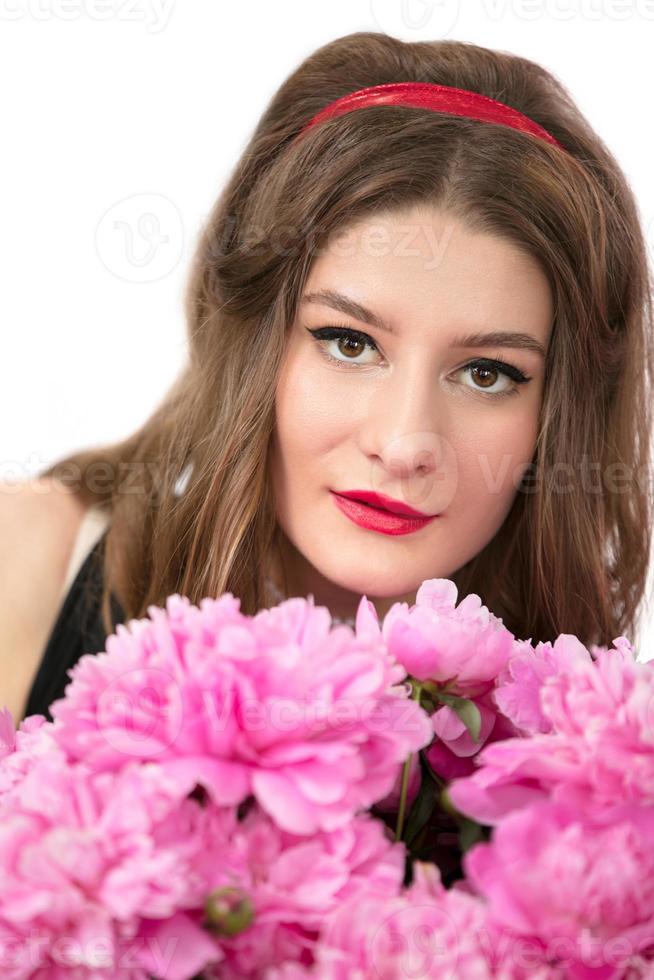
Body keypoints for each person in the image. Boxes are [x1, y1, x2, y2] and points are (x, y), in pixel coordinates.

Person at [2, 33, 652, 767]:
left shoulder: (598, 755)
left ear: (558, 411)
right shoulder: (24, 556)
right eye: (349, 342)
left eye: (487, 373)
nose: (406, 444)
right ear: (251, 336)